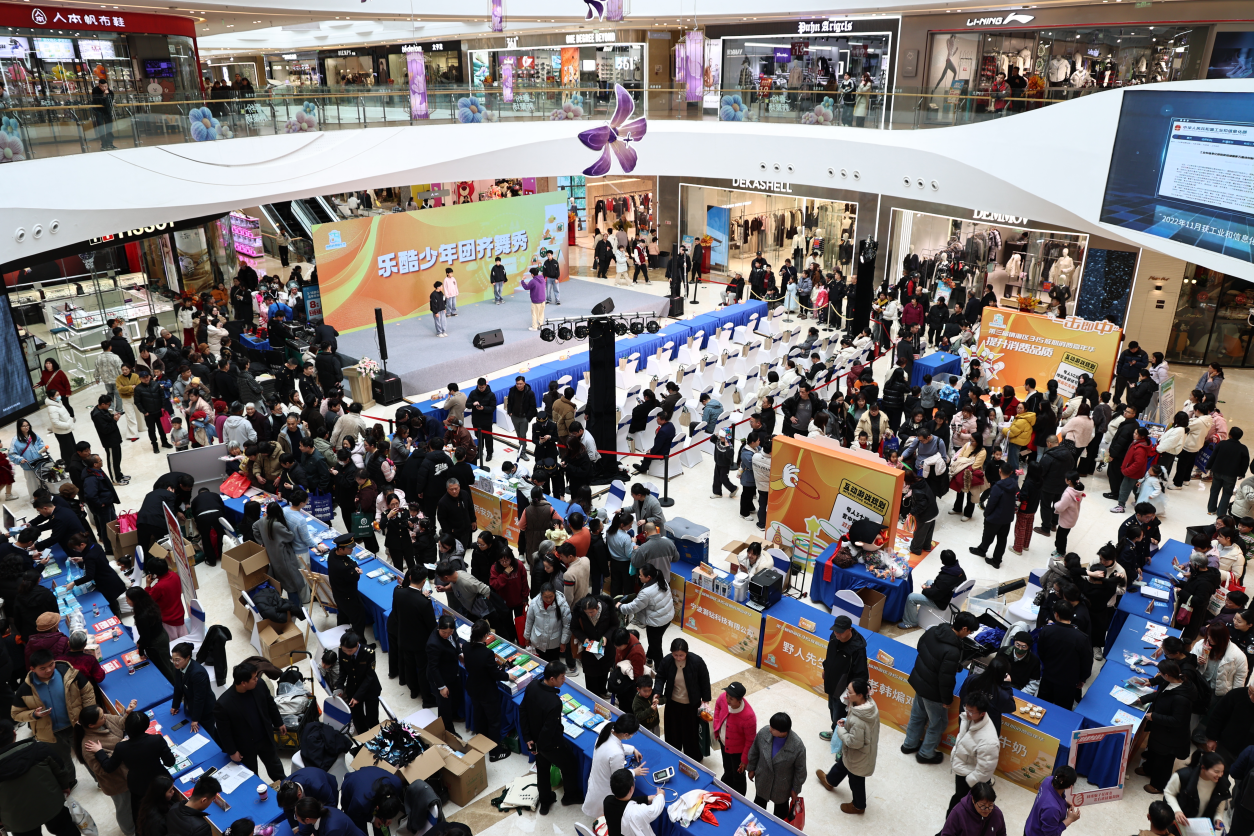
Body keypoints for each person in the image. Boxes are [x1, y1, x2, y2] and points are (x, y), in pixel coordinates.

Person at [904, 611, 977, 763]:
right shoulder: (952, 650)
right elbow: (946, 680)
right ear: (964, 628)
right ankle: (926, 754)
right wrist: (946, 700)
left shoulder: (933, 630)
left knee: (917, 715)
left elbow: (920, 647)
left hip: (919, 681)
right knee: (938, 723)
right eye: (970, 631)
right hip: (933, 692)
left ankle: (909, 744)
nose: (969, 634)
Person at [84, 709, 176, 824]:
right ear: (146, 726)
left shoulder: (121, 747)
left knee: (143, 814)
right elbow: (170, 762)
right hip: (161, 782)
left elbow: (108, 767)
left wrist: (99, 752)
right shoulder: (157, 740)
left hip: (138, 786)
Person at [13, 647, 97, 768]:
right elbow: (16, 714)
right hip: (50, 734)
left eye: (51, 664)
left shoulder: (70, 675)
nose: (48, 670)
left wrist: (87, 716)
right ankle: (70, 778)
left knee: (88, 756)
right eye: (42, 668)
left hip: (76, 726)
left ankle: (98, 777)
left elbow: (87, 693)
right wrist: (34, 715)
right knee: (63, 762)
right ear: (32, 669)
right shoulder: (25, 688)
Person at [521, 662, 583, 814]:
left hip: (535, 740)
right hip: (551, 744)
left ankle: (545, 802)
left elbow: (523, 711)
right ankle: (569, 796)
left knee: (542, 771)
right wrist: (539, 748)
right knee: (570, 765)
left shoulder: (532, 685)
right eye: (562, 677)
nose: (564, 680)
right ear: (552, 679)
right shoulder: (554, 702)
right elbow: (548, 731)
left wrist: (529, 739)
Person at [0, 718, 79, 836]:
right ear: (14, 733)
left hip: (19, 821)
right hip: (52, 805)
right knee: (66, 830)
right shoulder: (39, 748)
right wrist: (65, 786)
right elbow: (60, 770)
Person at [213, 661, 287, 782]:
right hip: (245, 746)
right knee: (251, 775)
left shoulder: (260, 685)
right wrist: (232, 751)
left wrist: (279, 722)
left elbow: (270, 704)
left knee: (275, 766)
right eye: (253, 678)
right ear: (243, 683)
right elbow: (224, 732)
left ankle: (285, 786)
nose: (257, 679)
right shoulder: (223, 704)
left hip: (265, 737)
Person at [815, 678, 879, 815]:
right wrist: (847, 723)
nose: (846, 694)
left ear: (860, 695)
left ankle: (858, 806)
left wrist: (840, 730)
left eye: (849, 692)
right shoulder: (868, 705)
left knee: (856, 780)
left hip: (859, 755)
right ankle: (830, 781)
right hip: (858, 753)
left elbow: (854, 742)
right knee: (843, 764)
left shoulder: (859, 720)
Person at [1135, 658, 1199, 792]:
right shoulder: (1169, 681)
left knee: (1163, 761)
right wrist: (1143, 699)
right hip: (1160, 730)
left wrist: (1154, 717)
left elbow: (1177, 720)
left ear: (1167, 675)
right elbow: (1160, 695)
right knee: (1153, 751)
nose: (1159, 675)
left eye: (1161, 673)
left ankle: (1158, 785)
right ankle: (1148, 769)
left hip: (1171, 736)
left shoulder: (1181, 698)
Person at [75, 704, 138, 836]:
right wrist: (122, 747)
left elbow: (120, 723)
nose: (105, 716)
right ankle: (129, 831)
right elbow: (101, 769)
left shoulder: (105, 719)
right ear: (91, 725)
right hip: (117, 782)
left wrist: (127, 713)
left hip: (130, 773)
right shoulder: (89, 745)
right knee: (124, 809)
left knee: (134, 803)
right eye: (101, 717)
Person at [655, 637, 711, 761]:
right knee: (673, 731)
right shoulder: (667, 661)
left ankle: (693, 757)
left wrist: (705, 700)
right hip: (673, 703)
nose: (678, 658)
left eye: (681, 655)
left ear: (687, 652)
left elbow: (704, 681)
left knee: (691, 732)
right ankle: (673, 755)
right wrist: (657, 692)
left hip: (691, 704)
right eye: (675, 655)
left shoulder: (697, 662)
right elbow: (660, 677)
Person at [463, 619, 511, 761]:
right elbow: (495, 674)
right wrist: (508, 676)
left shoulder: (466, 646)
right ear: (485, 635)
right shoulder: (487, 653)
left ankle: (482, 744)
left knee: (479, 718)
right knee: (494, 722)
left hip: (473, 689)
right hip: (487, 693)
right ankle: (495, 753)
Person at [747, 712, 807, 820]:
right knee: (758, 808)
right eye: (771, 725)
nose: (770, 729)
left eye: (773, 728)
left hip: (782, 787)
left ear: (783, 732)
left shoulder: (797, 746)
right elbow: (754, 750)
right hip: (762, 780)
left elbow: (800, 770)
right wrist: (751, 768)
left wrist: (795, 789)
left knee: (780, 815)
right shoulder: (764, 733)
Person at [948, 692, 1000, 813]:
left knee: (962, 803)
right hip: (962, 767)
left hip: (969, 776)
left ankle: (951, 823)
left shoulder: (989, 740)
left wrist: (970, 781)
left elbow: (985, 770)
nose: (967, 713)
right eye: (966, 708)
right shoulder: (969, 718)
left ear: (982, 713)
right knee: (959, 799)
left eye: (971, 711)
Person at [821, 614, 869, 740]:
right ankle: (835, 733)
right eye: (835, 630)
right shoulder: (834, 637)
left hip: (843, 689)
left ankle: (840, 740)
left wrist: (852, 691)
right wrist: (825, 668)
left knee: (840, 715)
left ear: (849, 630)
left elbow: (861, 674)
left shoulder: (857, 649)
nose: (837, 634)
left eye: (841, 632)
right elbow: (830, 655)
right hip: (831, 681)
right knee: (832, 708)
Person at [617, 564, 674, 668]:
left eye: (641, 575)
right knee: (655, 640)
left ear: (648, 577)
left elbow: (633, 607)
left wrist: (620, 606)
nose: (639, 577)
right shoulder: (661, 580)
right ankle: (649, 658)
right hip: (666, 617)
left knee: (656, 646)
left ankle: (660, 669)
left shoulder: (646, 593)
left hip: (656, 623)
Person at [900, 549, 967, 630]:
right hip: (950, 596)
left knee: (911, 598)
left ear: (943, 562)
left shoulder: (944, 578)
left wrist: (925, 590)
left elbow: (935, 595)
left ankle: (910, 622)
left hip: (941, 602)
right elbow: (943, 587)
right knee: (929, 581)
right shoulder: (960, 571)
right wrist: (932, 587)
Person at [1164, 750, 1230, 830]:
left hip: (1201, 825)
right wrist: (1177, 811)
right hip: (1181, 821)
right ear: (1203, 768)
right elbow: (1169, 793)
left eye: (1222, 772)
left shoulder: (1221, 783)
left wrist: (1218, 818)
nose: (1220, 775)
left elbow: (1220, 800)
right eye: (1216, 772)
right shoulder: (1183, 776)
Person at [971, 462, 1017, 568]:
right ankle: (996, 561)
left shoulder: (998, 487)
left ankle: (982, 550)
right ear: (1011, 473)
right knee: (1002, 540)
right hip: (1007, 517)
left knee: (988, 536)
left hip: (995, 517)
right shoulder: (1014, 484)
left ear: (999, 471)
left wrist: (986, 514)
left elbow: (992, 503)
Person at [170, 642, 216, 738]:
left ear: (188, 657)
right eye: (173, 659)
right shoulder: (179, 666)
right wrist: (175, 705)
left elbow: (199, 698)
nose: (174, 662)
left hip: (205, 709)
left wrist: (195, 719)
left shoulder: (197, 673)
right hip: (192, 704)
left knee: (208, 734)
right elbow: (178, 686)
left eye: (177, 660)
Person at [338, 631, 381, 734]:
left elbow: (369, 676)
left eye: (350, 650)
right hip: (353, 688)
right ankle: (363, 738)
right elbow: (343, 670)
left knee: (372, 719)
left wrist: (358, 696)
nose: (347, 653)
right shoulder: (341, 650)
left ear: (357, 644)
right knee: (358, 719)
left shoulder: (368, 652)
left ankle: (377, 737)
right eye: (345, 650)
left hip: (369, 688)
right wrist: (339, 686)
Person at [1024, 766, 1081, 836]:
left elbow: (1049, 797)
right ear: (1070, 786)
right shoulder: (1052, 808)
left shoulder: (1048, 780)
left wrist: (1063, 801)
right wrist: (1070, 819)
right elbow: (1051, 834)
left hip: (1031, 825)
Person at [293, 796, 365, 836]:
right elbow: (302, 834)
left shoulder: (332, 829)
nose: (296, 818)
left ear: (307, 819)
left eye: (296, 817)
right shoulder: (313, 813)